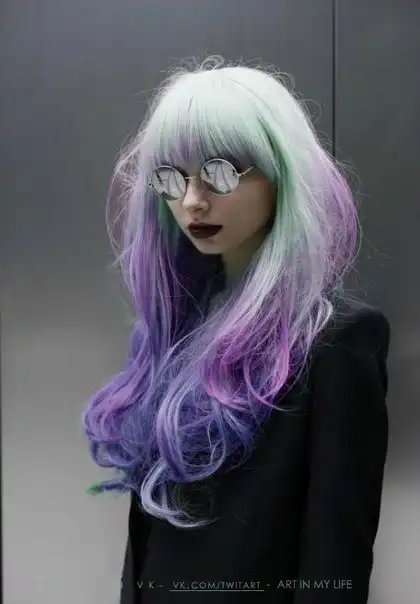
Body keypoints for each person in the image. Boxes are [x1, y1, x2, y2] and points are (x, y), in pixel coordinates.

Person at [82, 56, 391, 603]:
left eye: (221, 172)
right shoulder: (170, 332)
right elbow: (149, 535)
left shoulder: (337, 342)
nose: (192, 201)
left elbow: (336, 554)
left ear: (280, 175)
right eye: (172, 177)